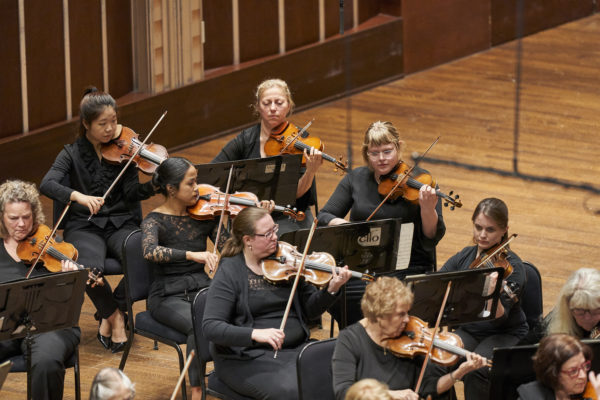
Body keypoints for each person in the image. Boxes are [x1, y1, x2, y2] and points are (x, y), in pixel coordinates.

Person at [40, 87, 156, 353]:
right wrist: (78, 196)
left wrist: (154, 185)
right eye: (102, 123)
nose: (110, 128)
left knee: (148, 254)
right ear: (86, 124)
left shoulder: (125, 150)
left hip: (120, 222)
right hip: (84, 226)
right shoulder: (70, 154)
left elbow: (131, 194)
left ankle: (113, 308)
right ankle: (115, 318)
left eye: (113, 121)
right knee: (87, 266)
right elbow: (47, 183)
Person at [202, 207, 352, 399]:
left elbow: (310, 311)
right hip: (247, 358)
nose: (275, 237)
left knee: (345, 376)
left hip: (297, 350)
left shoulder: (288, 262)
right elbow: (211, 327)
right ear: (248, 240)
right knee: (294, 391)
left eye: (275, 229)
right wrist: (255, 334)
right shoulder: (230, 272)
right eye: (267, 234)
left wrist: (331, 289)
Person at [317, 120, 445, 325]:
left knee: (388, 302)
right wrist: (344, 226)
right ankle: (358, 342)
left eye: (387, 151)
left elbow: (431, 237)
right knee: (335, 291)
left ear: (399, 147)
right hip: (364, 263)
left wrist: (428, 209)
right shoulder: (356, 179)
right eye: (374, 153)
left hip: (406, 265)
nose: (382, 159)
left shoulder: (421, 182)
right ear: (366, 153)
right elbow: (324, 216)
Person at [332, 276, 487, 400]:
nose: (407, 320)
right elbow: (344, 392)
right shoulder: (350, 340)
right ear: (380, 315)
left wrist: (458, 373)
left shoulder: (410, 338)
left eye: (407, 312)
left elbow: (428, 388)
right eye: (401, 314)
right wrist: (391, 395)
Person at [141, 157, 219, 400]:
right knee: (199, 326)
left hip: (201, 288)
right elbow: (149, 251)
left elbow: (229, 246)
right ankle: (197, 390)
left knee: (233, 314)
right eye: (190, 183)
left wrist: (241, 220)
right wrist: (191, 255)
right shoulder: (154, 220)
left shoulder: (204, 214)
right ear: (171, 189)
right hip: (166, 295)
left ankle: (228, 377)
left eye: (197, 181)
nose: (197, 188)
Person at [438, 197, 527, 400]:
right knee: (437, 360)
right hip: (471, 329)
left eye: (490, 229)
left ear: (504, 230)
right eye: (478, 227)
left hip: (504, 333)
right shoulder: (465, 256)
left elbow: (499, 318)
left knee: (476, 370)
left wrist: (492, 293)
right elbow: (439, 281)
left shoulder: (513, 267)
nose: (482, 235)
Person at [0, 180, 81, 400]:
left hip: (48, 327)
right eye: (13, 218)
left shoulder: (52, 246)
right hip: (5, 329)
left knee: (46, 361)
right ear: (1, 217)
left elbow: (71, 304)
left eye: (26, 217)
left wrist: (69, 279)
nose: (21, 224)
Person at [212, 78, 323, 235]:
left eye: (279, 103)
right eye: (266, 103)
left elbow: (297, 194)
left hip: (291, 215)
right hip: (252, 216)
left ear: (289, 106)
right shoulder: (246, 140)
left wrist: (311, 171)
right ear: (258, 107)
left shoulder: (301, 139)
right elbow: (214, 172)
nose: (272, 108)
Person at [522, 268, 600, 344]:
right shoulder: (556, 319)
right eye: (580, 311)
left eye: (595, 311)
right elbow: (525, 347)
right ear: (568, 307)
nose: (587, 318)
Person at [517, 334, 598, 400]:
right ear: (553, 373)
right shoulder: (531, 396)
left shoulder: (593, 391)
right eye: (573, 371)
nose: (583, 376)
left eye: (584, 366)